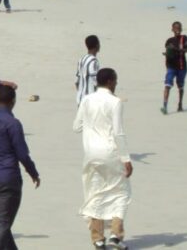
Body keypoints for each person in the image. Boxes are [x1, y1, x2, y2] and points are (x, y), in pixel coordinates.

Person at [0, 80, 40, 250]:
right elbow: (22, 154)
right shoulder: (13, 124)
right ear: (13, 102)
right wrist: (33, 172)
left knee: (0, 223)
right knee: (2, 223)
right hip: (8, 178)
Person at [73, 68, 132, 250]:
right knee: (121, 192)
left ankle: (98, 239)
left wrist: (92, 126)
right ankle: (115, 236)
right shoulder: (115, 102)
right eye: (115, 81)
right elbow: (118, 132)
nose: (116, 84)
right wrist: (126, 159)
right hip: (110, 153)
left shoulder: (86, 99)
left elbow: (76, 126)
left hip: (91, 154)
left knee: (95, 193)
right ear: (109, 82)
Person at [162, 21, 187, 114]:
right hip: (171, 66)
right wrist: (167, 56)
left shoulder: (184, 38)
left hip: (182, 66)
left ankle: (180, 104)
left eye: (179, 28)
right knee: (167, 85)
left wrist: (178, 50)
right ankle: (165, 106)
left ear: (181, 29)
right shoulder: (169, 41)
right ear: (172, 29)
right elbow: (168, 53)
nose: (177, 29)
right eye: (176, 28)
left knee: (180, 86)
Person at [76, 35, 101, 106]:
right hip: (90, 100)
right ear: (97, 45)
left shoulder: (81, 60)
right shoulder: (93, 61)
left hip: (80, 99)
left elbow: (77, 82)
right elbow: (95, 81)